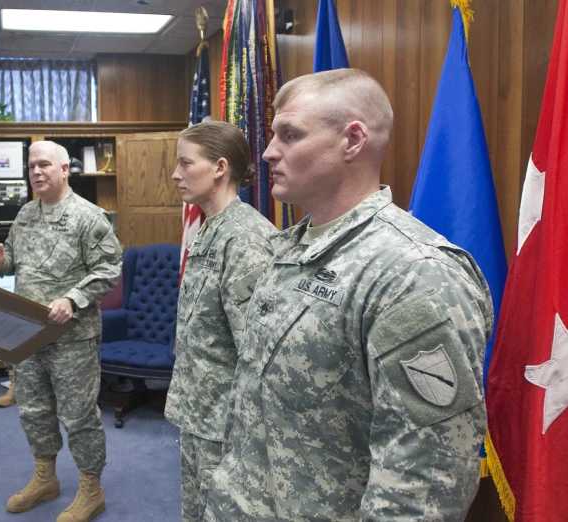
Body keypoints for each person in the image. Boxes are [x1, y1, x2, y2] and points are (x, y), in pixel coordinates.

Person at [204, 68, 493, 521]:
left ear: (353, 140)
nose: (267, 152)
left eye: (290, 134)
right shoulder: (287, 249)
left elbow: (425, 481)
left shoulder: (411, 273)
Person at [0, 141, 121, 522]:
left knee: (78, 416)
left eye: (44, 165)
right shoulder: (25, 214)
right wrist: (0, 263)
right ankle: (46, 478)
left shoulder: (89, 217)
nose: (36, 172)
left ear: (64, 169)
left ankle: (92, 490)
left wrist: (73, 299)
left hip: (72, 337)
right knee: (34, 410)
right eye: (31, 166)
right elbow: (16, 258)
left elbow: (109, 269)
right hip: (28, 333)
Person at [164, 121, 276, 522]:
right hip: (200, 414)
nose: (176, 174)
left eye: (185, 163)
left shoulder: (245, 240)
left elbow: (257, 351)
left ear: (219, 167)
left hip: (228, 424)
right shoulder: (211, 228)